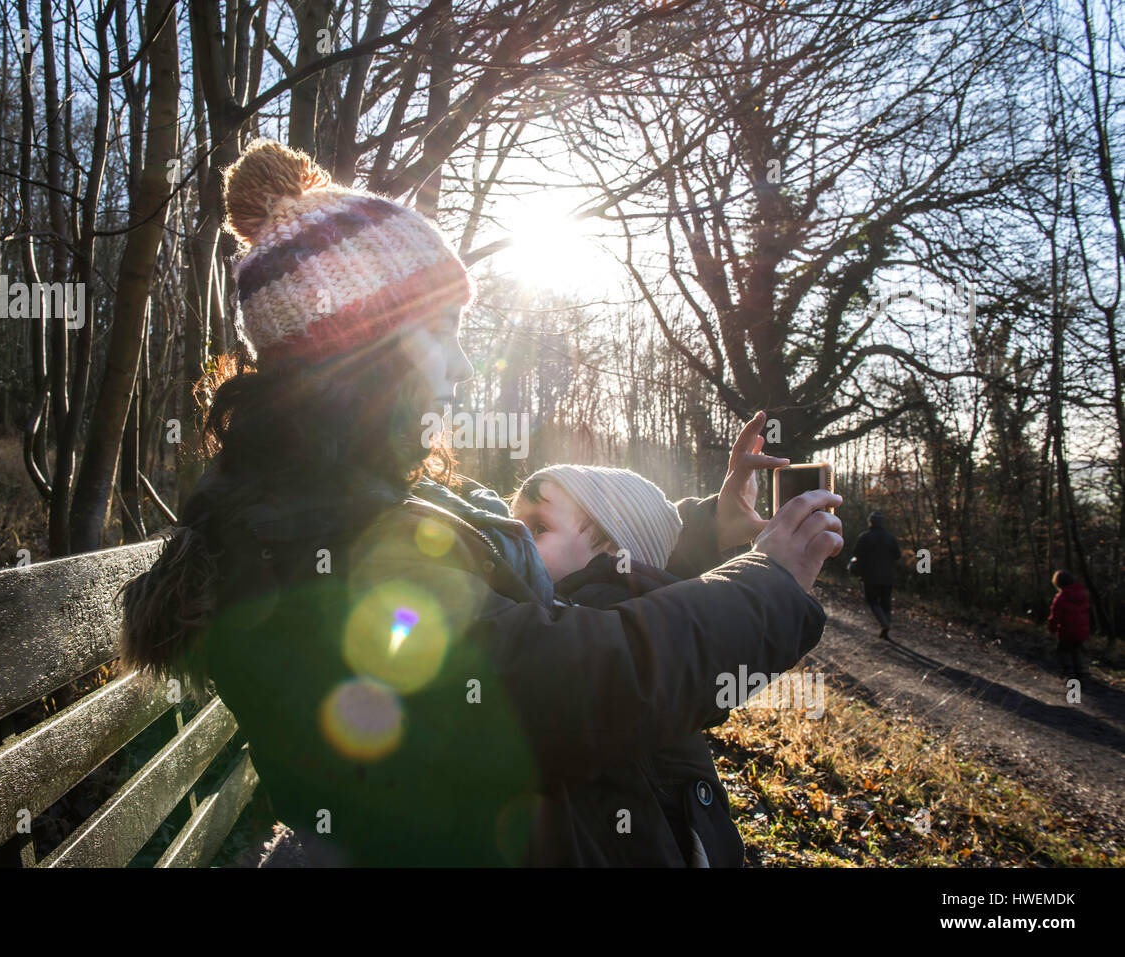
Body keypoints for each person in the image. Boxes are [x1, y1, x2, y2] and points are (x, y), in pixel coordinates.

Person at [118, 139, 843, 866]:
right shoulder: (310, 543)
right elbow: (561, 685)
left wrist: (709, 531)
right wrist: (768, 584)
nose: (463, 366)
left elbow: (543, 570)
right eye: (438, 332)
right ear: (358, 355)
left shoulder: (360, 493)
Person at [509, 457, 799, 867]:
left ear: (613, 552)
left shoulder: (592, 629)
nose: (515, 538)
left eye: (537, 528)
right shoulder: (592, 615)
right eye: (514, 524)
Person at [849, 511, 901, 638]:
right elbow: (897, 555)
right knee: (886, 602)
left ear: (870, 522)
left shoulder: (865, 537)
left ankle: (884, 624)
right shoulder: (890, 537)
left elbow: (856, 554)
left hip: (870, 576)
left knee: (872, 601)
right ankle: (886, 626)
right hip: (887, 577)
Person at [1048, 570, 1091, 681]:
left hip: (1067, 630)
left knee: (1062, 651)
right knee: (1076, 650)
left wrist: (1051, 628)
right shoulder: (1083, 593)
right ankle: (1080, 671)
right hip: (1082, 630)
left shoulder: (1061, 597)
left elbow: (1055, 615)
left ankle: (1069, 671)